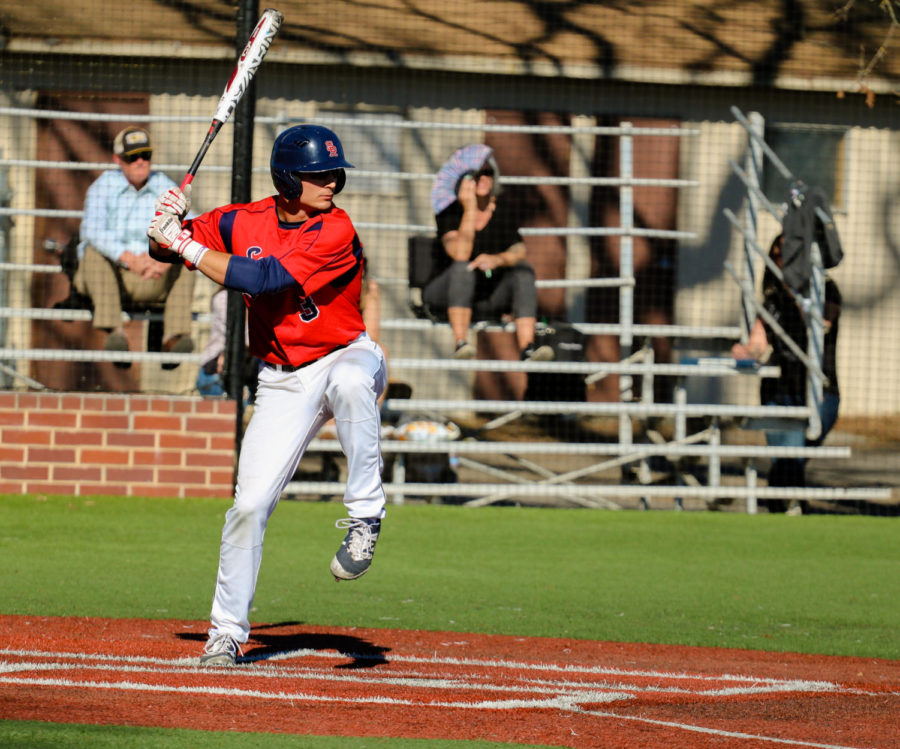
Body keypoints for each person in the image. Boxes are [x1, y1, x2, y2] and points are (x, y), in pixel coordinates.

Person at [147, 124, 387, 667]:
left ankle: (366, 514)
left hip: (346, 354)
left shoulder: (336, 228)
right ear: (286, 178)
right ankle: (226, 634)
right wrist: (164, 226)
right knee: (248, 507)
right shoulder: (239, 219)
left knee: (351, 383)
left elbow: (264, 278)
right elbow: (167, 247)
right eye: (317, 175)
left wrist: (182, 243)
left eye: (334, 173)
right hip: (282, 377)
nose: (331, 182)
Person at [732, 233, 842, 514]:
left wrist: (799, 296)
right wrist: (747, 352)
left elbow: (821, 325)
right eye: (779, 257)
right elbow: (758, 342)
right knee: (785, 462)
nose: (784, 263)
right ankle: (790, 511)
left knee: (790, 462)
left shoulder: (827, 290)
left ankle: (784, 506)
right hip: (778, 392)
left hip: (818, 392)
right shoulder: (772, 301)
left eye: (790, 257)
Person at [75, 126, 195, 369]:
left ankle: (173, 339)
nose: (140, 162)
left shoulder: (165, 185)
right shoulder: (103, 186)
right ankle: (115, 334)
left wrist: (162, 258)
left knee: (187, 254)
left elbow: (191, 224)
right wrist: (128, 258)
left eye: (145, 155)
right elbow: (91, 230)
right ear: (117, 160)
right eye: (132, 157)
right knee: (91, 252)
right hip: (112, 278)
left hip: (154, 276)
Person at [424, 144, 552, 361]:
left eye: (488, 172)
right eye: (475, 174)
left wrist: (498, 259)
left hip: (486, 293)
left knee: (523, 270)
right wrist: (470, 208)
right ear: (463, 180)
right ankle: (460, 343)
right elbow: (460, 253)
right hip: (445, 292)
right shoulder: (450, 211)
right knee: (463, 268)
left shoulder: (502, 210)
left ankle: (528, 347)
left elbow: (519, 249)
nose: (482, 178)